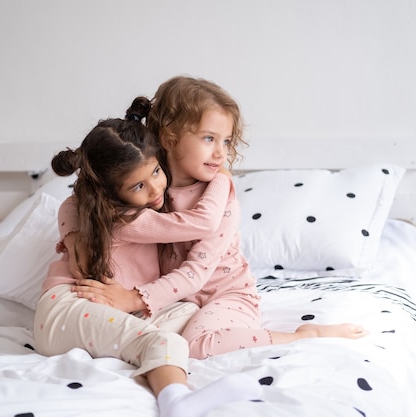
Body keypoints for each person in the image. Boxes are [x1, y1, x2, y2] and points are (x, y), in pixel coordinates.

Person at [69, 76, 368, 360]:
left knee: (196, 345)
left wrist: (133, 298)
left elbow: (196, 274)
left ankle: (304, 335)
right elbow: (81, 198)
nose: (220, 153)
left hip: (227, 296)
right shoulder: (149, 184)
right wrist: (73, 239)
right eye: (209, 138)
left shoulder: (219, 197)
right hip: (177, 301)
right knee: (136, 342)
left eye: (225, 142)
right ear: (169, 137)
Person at [33, 97, 261, 417]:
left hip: (105, 310)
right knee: (166, 343)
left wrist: (72, 238)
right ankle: (176, 402)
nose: (155, 189)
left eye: (156, 171)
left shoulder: (128, 205)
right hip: (68, 308)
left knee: (187, 311)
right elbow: (202, 222)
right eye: (139, 184)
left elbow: (71, 203)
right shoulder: (130, 219)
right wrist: (223, 177)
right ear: (109, 192)